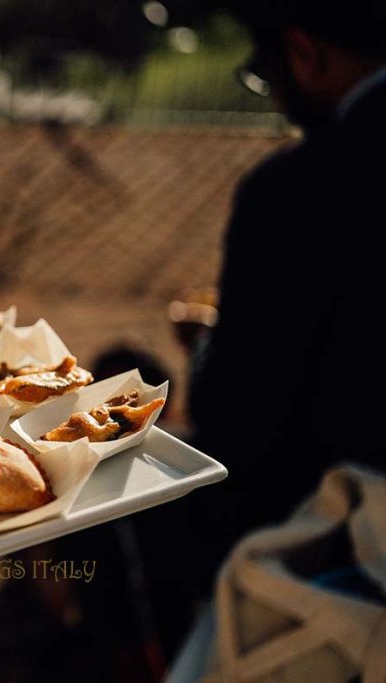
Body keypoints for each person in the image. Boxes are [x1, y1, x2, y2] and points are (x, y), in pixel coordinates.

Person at [141, 0, 386, 658]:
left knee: (127, 513)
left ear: (304, 54)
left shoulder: (295, 191)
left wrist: (205, 352)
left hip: (333, 537)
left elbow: (234, 424)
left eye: (263, 68)